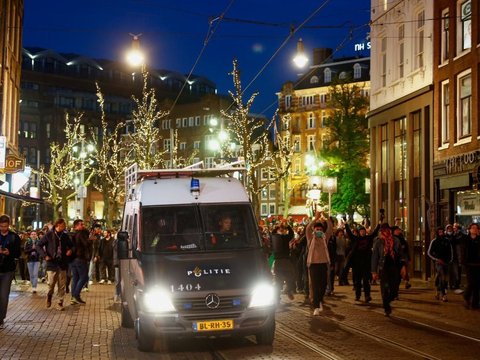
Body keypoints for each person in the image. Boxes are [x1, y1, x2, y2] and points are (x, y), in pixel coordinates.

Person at [36, 218, 74, 311]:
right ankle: (49, 296)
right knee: (51, 284)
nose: (64, 227)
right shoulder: (49, 234)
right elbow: (38, 245)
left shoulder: (65, 236)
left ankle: (60, 302)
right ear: (58, 225)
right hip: (52, 263)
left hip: (62, 263)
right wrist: (45, 256)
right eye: (63, 225)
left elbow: (72, 245)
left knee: (62, 285)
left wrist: (70, 250)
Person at [371, 224, 403, 316]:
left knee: (394, 289)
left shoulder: (396, 240)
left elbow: (401, 254)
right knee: (384, 288)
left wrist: (403, 266)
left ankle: (388, 300)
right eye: (383, 230)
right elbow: (375, 257)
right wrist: (374, 271)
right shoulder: (378, 242)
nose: (386, 232)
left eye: (387, 230)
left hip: (394, 266)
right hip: (383, 267)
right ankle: (386, 307)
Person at [345, 220, 380, 303]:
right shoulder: (355, 239)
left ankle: (367, 296)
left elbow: (375, 232)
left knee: (366, 280)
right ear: (359, 232)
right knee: (357, 281)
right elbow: (349, 233)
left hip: (366, 263)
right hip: (357, 263)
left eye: (363, 231)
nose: (362, 232)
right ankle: (358, 295)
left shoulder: (368, 238)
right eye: (361, 231)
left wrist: (379, 223)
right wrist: (346, 224)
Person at [305, 211, 333, 315]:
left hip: (323, 264)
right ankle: (316, 306)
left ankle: (320, 300)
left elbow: (330, 228)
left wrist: (327, 219)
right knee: (315, 285)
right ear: (314, 230)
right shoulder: (310, 238)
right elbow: (307, 228)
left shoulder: (325, 238)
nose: (319, 231)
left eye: (321, 230)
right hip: (313, 264)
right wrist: (315, 219)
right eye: (317, 229)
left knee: (323, 284)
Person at [0, 215, 21, 329]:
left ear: (9, 225)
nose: (3, 228)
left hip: (8, 269)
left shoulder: (14, 237)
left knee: (3, 295)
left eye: (5, 226)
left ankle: (1, 318)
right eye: (1, 226)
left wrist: (9, 252)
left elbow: (18, 253)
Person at [270, 221, 296, 301]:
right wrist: (287, 226)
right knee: (290, 277)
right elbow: (291, 234)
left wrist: (278, 227)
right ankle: (288, 290)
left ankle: (277, 297)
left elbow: (272, 233)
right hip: (286, 260)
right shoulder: (285, 237)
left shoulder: (274, 237)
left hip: (278, 261)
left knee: (278, 280)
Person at [428, 227, 453, 302]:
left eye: (442, 232)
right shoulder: (434, 241)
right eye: (439, 232)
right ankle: (443, 294)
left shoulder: (447, 241)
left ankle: (438, 290)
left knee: (443, 278)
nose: (441, 233)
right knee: (442, 277)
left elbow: (451, 252)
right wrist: (436, 259)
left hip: (446, 262)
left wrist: (450, 260)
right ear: (437, 233)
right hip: (438, 263)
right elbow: (429, 252)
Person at [70, 219, 91, 305]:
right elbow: (85, 244)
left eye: (83, 224)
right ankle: (76, 295)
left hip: (74, 259)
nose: (83, 226)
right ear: (76, 226)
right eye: (81, 224)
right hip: (80, 258)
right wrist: (90, 240)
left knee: (75, 278)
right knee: (84, 277)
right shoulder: (80, 234)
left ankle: (73, 298)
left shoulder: (73, 234)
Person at [461, 223, 480, 309]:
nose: (474, 229)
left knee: (477, 284)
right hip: (469, 264)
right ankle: (466, 296)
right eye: (473, 228)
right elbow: (463, 252)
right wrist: (464, 262)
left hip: (478, 264)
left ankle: (475, 303)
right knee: (471, 283)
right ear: (469, 229)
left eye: (476, 228)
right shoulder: (466, 239)